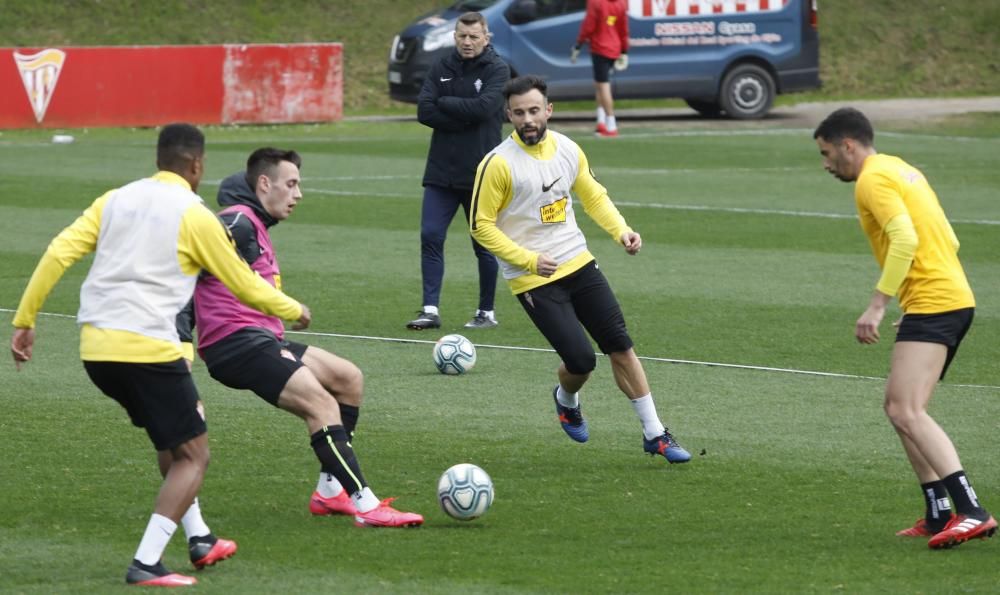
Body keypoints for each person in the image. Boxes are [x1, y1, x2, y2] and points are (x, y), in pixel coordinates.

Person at [9, 124, 310, 586]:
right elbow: (242, 281)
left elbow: (58, 252)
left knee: (174, 439)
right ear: (197, 165)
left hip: (96, 350)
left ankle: (201, 538)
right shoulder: (195, 215)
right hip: (148, 348)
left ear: (159, 157)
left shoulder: (114, 199)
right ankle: (147, 561)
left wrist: (25, 320)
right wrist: (293, 309)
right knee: (195, 455)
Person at [188, 147, 423, 528]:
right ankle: (367, 504)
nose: (298, 194)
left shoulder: (253, 223)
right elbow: (195, 257)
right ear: (265, 184)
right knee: (321, 406)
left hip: (262, 337)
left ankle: (330, 493)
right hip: (236, 343)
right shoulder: (238, 222)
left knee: (347, 378)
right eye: (291, 184)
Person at [469, 75, 691, 463]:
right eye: (519, 113)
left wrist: (622, 231)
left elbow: (592, 195)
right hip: (533, 278)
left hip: (579, 262)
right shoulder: (498, 164)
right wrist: (528, 259)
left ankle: (655, 433)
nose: (528, 119)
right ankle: (566, 398)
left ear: (549, 110)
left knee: (620, 345)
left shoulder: (568, 149)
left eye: (534, 110)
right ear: (508, 115)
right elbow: (480, 225)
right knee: (581, 361)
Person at [813, 107, 996, 549]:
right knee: (902, 409)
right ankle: (938, 513)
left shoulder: (873, 180)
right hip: (945, 298)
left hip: (936, 302)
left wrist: (878, 304)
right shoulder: (900, 169)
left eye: (826, 153)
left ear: (848, 145)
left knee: (905, 410)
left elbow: (906, 238)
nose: (825, 163)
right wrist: (916, 297)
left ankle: (972, 511)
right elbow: (946, 237)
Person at [408, 11, 510, 331]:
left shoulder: (498, 69)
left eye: (473, 37)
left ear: (486, 38)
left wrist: (446, 102)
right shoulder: (442, 66)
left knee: (483, 243)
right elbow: (424, 110)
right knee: (431, 235)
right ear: (455, 36)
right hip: (441, 170)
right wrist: (464, 114)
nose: (467, 42)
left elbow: (484, 109)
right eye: (461, 36)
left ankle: (486, 312)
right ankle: (429, 310)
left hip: (481, 174)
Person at [571, 0, 629, 138]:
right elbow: (623, 28)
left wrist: (579, 43)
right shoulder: (621, 3)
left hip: (600, 48)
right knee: (599, 84)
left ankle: (611, 124)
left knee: (603, 86)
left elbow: (589, 26)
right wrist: (624, 50)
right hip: (614, 47)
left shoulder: (595, 2)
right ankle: (601, 121)